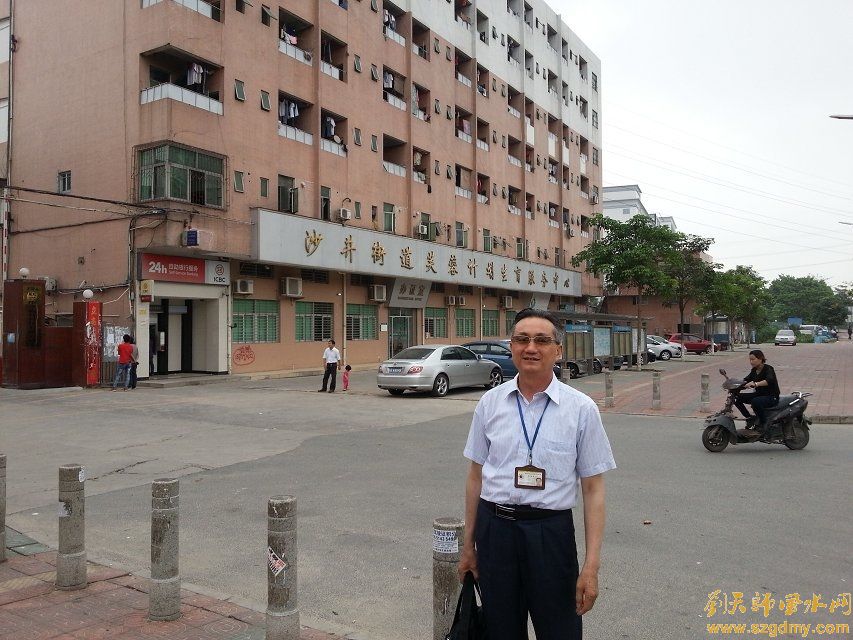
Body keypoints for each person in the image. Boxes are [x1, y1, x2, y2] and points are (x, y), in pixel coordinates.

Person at [458, 308, 616, 639]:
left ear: (558, 351)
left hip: (550, 535)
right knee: (500, 630)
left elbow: (593, 490)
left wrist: (591, 566)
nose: (531, 347)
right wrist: (469, 545)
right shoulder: (490, 403)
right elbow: (476, 476)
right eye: (522, 339)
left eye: (542, 340)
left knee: (560, 629)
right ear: (512, 346)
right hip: (495, 532)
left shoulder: (580, 409)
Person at [733, 349, 780, 432]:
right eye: (750, 360)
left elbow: (769, 380)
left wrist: (755, 384)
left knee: (755, 401)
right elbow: (746, 380)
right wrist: (736, 385)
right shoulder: (754, 370)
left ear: (760, 359)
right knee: (737, 398)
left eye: (753, 359)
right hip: (759, 394)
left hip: (771, 396)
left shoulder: (768, 368)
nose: (751, 362)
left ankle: (763, 422)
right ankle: (749, 418)